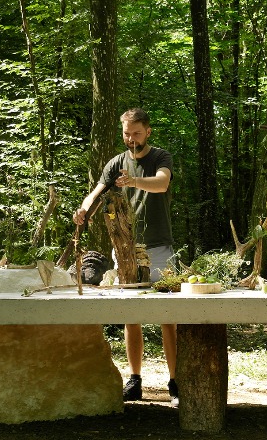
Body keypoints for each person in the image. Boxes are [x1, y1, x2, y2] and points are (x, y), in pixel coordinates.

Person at [73, 108, 178, 405]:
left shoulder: (160, 157)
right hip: (125, 249)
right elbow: (96, 193)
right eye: (127, 133)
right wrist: (84, 210)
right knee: (132, 316)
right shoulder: (116, 163)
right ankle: (135, 380)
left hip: (159, 247)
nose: (131, 139)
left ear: (148, 132)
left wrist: (133, 182)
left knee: (169, 316)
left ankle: (176, 381)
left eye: (137, 133)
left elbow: (162, 183)